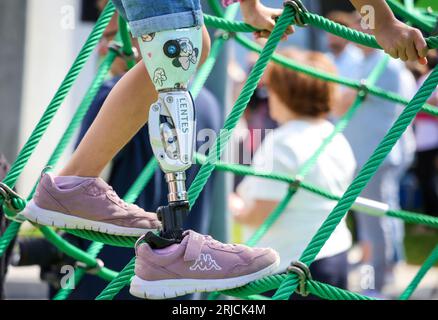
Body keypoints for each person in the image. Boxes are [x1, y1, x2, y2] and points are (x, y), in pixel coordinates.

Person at [21, 0, 429, 299]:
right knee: (179, 46)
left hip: (306, 258)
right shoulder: (302, 138)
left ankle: (94, 193)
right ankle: (85, 188)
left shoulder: (282, 141)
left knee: (184, 45)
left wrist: (249, 6)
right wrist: (381, 21)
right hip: (316, 257)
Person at [231, 48, 356, 297]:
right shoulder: (334, 135)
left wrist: (231, 206)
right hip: (335, 253)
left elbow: (261, 215)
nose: (268, 97)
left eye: (271, 90)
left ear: (285, 94)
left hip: (292, 268)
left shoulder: (281, 143)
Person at [333, 13, 417, 297]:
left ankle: (375, 284)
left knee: (375, 225)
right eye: (357, 25)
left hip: (375, 157)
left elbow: (341, 103)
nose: (357, 32)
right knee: (377, 221)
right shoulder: (368, 62)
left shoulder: (384, 63)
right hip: (366, 155)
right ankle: (387, 271)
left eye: (363, 25)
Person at [413, 52, 438, 218]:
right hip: (424, 137)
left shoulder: (430, 79)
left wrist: (416, 107)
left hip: (430, 138)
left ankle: (431, 217)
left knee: (427, 178)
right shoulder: (425, 79)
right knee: (425, 178)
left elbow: (434, 103)